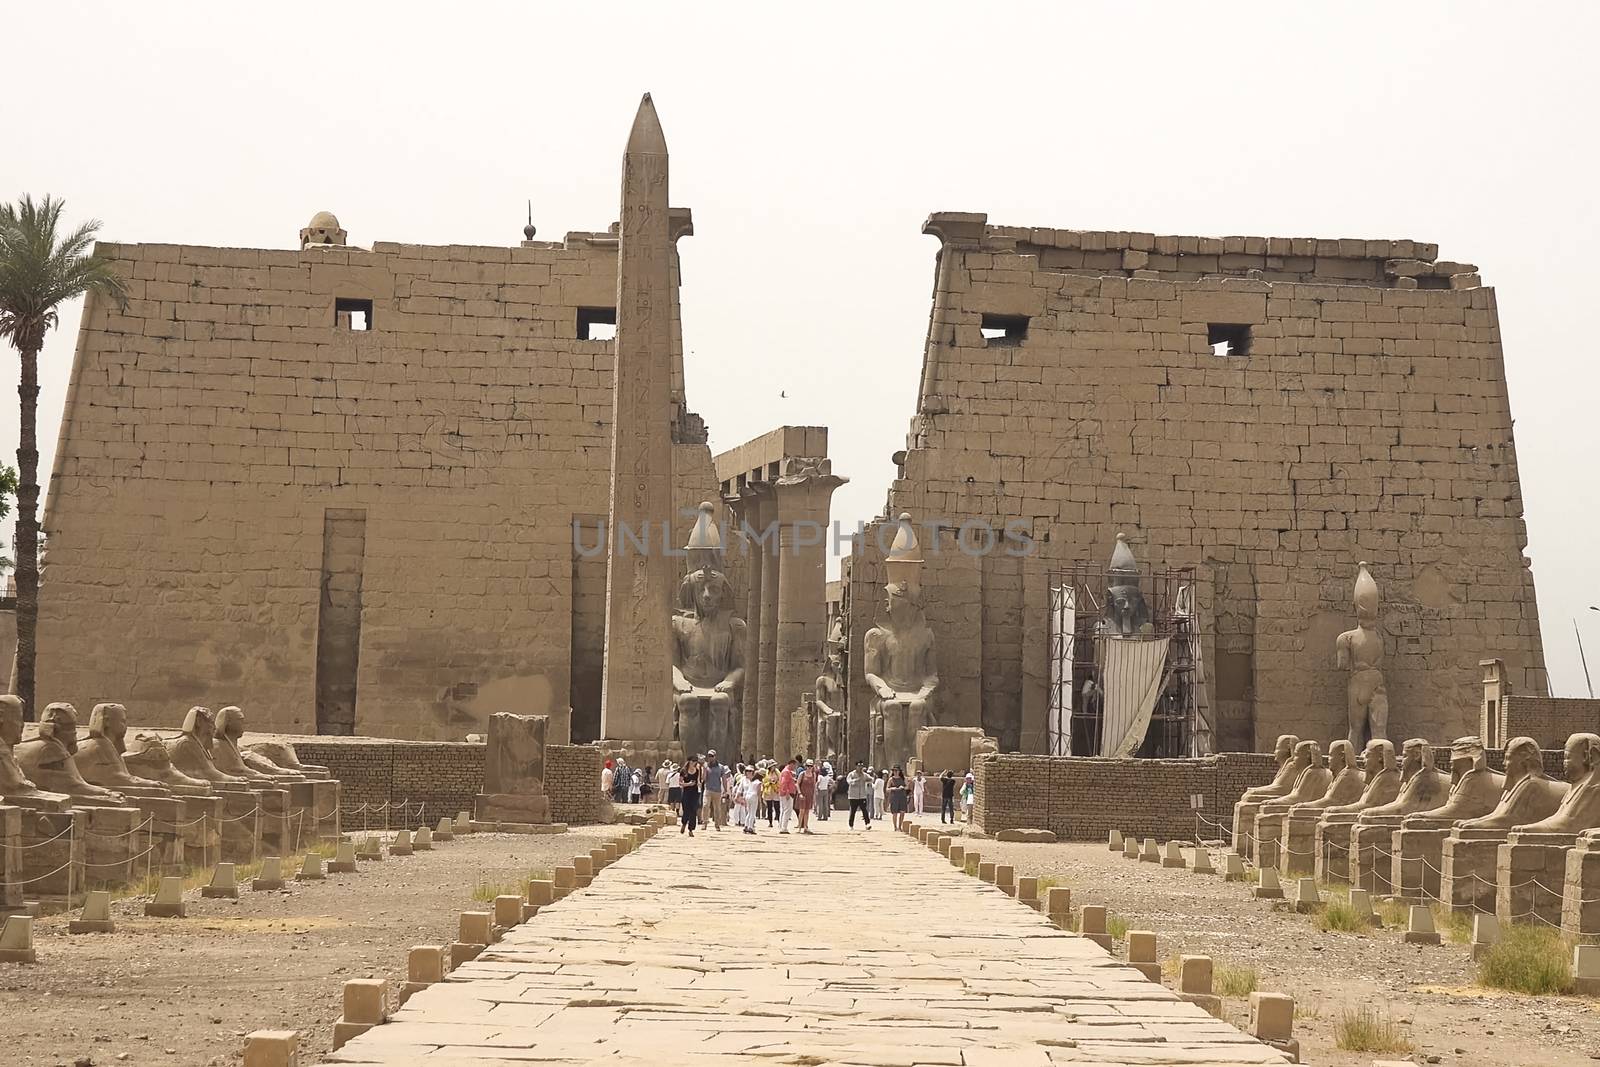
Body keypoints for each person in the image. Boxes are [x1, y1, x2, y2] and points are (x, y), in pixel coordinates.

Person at [679, 755, 704, 836]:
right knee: (686, 809)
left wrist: (699, 784)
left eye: (695, 761)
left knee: (693, 810)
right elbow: (680, 783)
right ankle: (684, 823)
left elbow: (699, 780)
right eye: (693, 761)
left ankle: (691, 829)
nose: (694, 763)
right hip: (686, 792)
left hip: (695, 792)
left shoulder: (697, 770)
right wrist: (688, 784)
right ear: (689, 761)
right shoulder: (683, 771)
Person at [704, 749, 727, 831]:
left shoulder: (721, 767)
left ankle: (717, 824)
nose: (710, 758)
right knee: (705, 805)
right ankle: (705, 823)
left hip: (717, 790)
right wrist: (704, 770)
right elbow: (703, 779)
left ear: (715, 757)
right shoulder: (706, 766)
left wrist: (725, 789)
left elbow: (724, 779)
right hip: (708, 789)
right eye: (709, 756)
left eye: (712, 756)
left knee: (717, 808)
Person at [846, 760, 873, 829]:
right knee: (853, 811)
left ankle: (867, 824)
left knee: (864, 810)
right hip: (853, 796)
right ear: (856, 767)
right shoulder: (851, 774)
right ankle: (851, 825)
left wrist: (868, 780)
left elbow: (871, 779)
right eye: (859, 766)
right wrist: (855, 780)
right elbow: (849, 781)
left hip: (862, 796)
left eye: (861, 766)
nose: (860, 768)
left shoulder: (864, 775)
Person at [739, 764, 762, 834]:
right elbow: (758, 792)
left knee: (749, 812)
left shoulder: (752, 781)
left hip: (747, 796)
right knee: (752, 813)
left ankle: (746, 826)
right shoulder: (759, 782)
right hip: (754, 796)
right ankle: (750, 827)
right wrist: (760, 801)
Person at [777, 758, 798, 834]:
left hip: (785, 793)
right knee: (787, 810)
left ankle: (781, 826)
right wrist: (787, 793)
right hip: (787, 794)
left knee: (783, 810)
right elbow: (784, 783)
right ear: (791, 764)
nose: (795, 767)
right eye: (794, 765)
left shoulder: (787, 772)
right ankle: (784, 827)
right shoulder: (786, 772)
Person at [796, 758, 817, 834]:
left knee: (807, 811)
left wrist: (814, 796)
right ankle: (799, 827)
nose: (809, 767)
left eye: (810, 766)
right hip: (802, 794)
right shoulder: (802, 774)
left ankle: (805, 827)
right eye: (808, 766)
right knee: (801, 811)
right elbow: (797, 784)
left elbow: (814, 785)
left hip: (809, 795)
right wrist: (799, 793)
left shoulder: (814, 775)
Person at [888, 765, 909, 831]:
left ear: (899, 771)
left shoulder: (904, 778)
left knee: (902, 812)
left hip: (902, 796)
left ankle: (900, 826)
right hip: (894, 797)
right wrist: (893, 788)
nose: (895, 772)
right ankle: (895, 827)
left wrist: (903, 787)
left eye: (897, 770)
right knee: (895, 813)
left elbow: (907, 787)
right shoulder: (891, 779)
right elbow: (887, 789)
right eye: (894, 771)